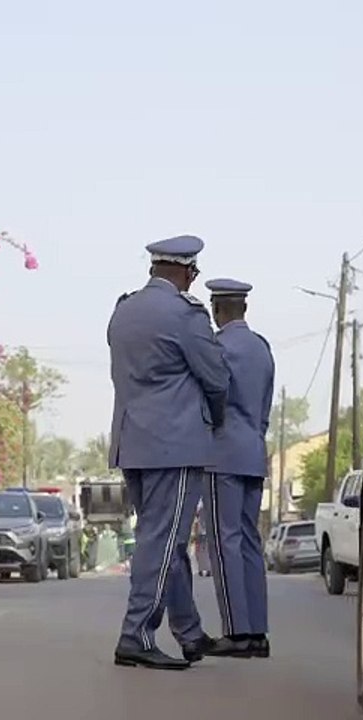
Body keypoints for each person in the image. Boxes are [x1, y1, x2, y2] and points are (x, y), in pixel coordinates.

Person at [107, 234, 230, 671]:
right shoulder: (186, 315)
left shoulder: (123, 311)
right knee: (162, 543)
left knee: (164, 541)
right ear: (185, 271)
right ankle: (135, 635)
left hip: (132, 443)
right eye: (193, 273)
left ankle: (189, 632)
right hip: (175, 445)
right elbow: (216, 378)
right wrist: (213, 419)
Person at [200, 277, 276, 659]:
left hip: (221, 454)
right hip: (253, 451)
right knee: (249, 542)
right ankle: (258, 631)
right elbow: (264, 407)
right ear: (243, 307)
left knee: (223, 540)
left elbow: (214, 399)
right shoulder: (262, 348)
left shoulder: (217, 347)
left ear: (217, 310)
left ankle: (236, 632)